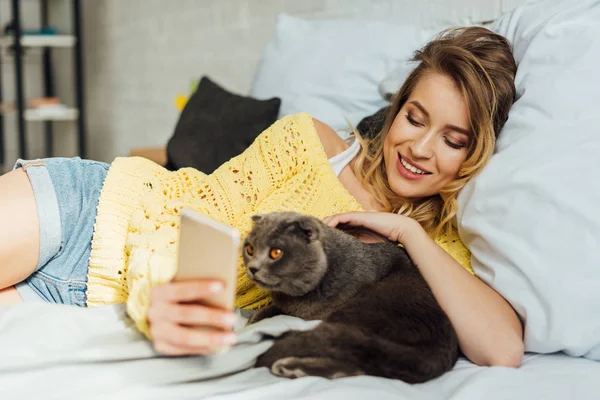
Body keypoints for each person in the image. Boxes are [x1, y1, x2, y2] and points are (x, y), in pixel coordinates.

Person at [0, 26, 521, 367]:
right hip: (92, 211)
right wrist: (149, 300)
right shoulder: (308, 141)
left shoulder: (441, 250)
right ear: (397, 108)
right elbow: (188, 221)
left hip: (93, 306)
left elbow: (502, 350)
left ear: (475, 154)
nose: (421, 148)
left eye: (453, 141)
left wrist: (408, 232)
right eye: (415, 118)